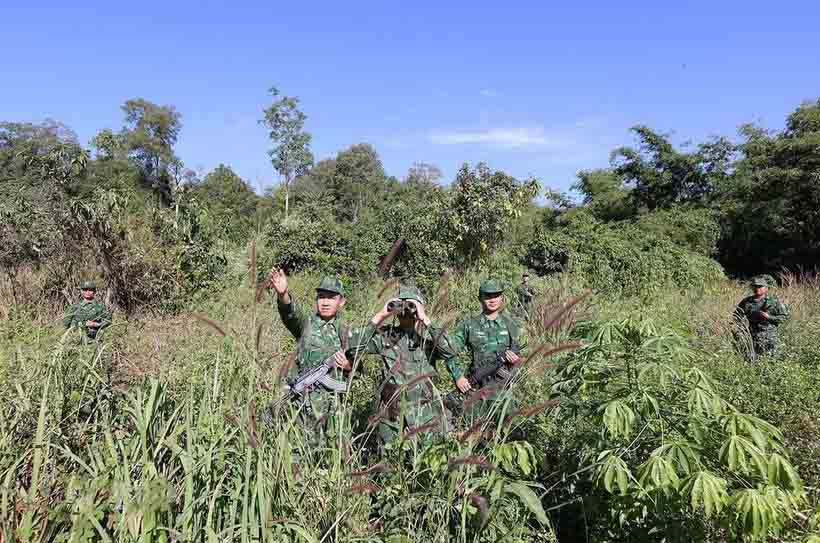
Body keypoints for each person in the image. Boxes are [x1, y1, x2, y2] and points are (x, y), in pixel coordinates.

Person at [351, 285, 461, 446]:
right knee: (392, 463)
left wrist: (425, 319)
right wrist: (381, 314)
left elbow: (451, 350)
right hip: (392, 416)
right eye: (401, 306)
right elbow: (354, 345)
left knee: (427, 462)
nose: (406, 311)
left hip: (426, 413)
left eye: (411, 306)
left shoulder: (429, 338)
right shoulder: (385, 336)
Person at [267, 270, 354, 448]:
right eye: (321, 297)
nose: (325, 302)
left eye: (331, 297)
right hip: (303, 404)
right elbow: (290, 313)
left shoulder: (347, 330)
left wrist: (347, 365)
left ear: (341, 302)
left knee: (333, 452)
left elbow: (357, 367)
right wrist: (283, 294)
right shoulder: (306, 324)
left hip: (334, 407)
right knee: (301, 451)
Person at [450, 279, 523, 423]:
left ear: (502, 298)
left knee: (506, 431)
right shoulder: (469, 325)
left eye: (496, 295)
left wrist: (515, 359)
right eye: (488, 296)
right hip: (477, 388)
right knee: (477, 433)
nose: (492, 299)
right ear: (480, 298)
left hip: (503, 389)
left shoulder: (510, 324)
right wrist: (458, 376)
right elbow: (449, 351)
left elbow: (517, 350)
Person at [733, 275, 789, 360]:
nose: (757, 288)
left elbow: (784, 317)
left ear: (766, 288)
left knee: (772, 361)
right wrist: (740, 330)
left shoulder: (774, 302)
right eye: (755, 286)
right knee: (752, 361)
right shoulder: (746, 302)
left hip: (770, 338)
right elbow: (736, 317)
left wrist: (769, 317)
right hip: (752, 338)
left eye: (760, 286)